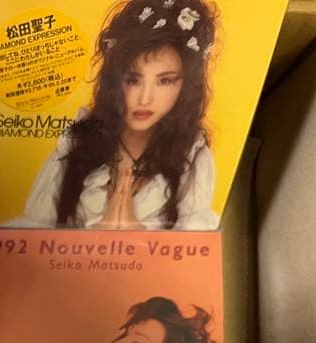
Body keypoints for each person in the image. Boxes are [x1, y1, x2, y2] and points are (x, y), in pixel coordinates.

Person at [20, 0, 220, 230]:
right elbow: (30, 239)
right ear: (115, 80)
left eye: (165, 81)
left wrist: (136, 238)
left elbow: (194, 250)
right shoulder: (77, 142)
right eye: (133, 80)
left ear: (185, 86)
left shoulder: (192, 159)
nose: (145, 99)